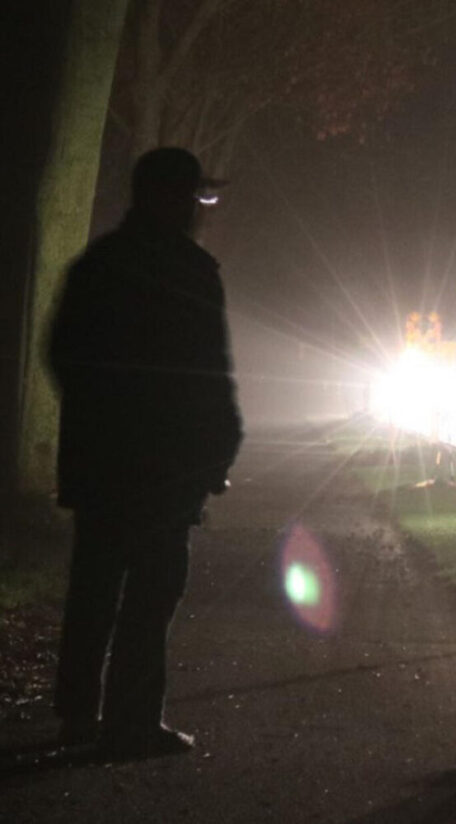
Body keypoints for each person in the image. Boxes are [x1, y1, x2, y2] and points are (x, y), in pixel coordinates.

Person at [49, 146, 243, 758]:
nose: (201, 210)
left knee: (94, 588)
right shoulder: (191, 271)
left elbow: (62, 353)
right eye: (198, 198)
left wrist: (96, 416)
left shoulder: (98, 263)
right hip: (165, 463)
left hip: (102, 458)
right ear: (175, 198)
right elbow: (208, 371)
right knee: (154, 587)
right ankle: (132, 720)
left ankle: (77, 716)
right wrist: (219, 444)